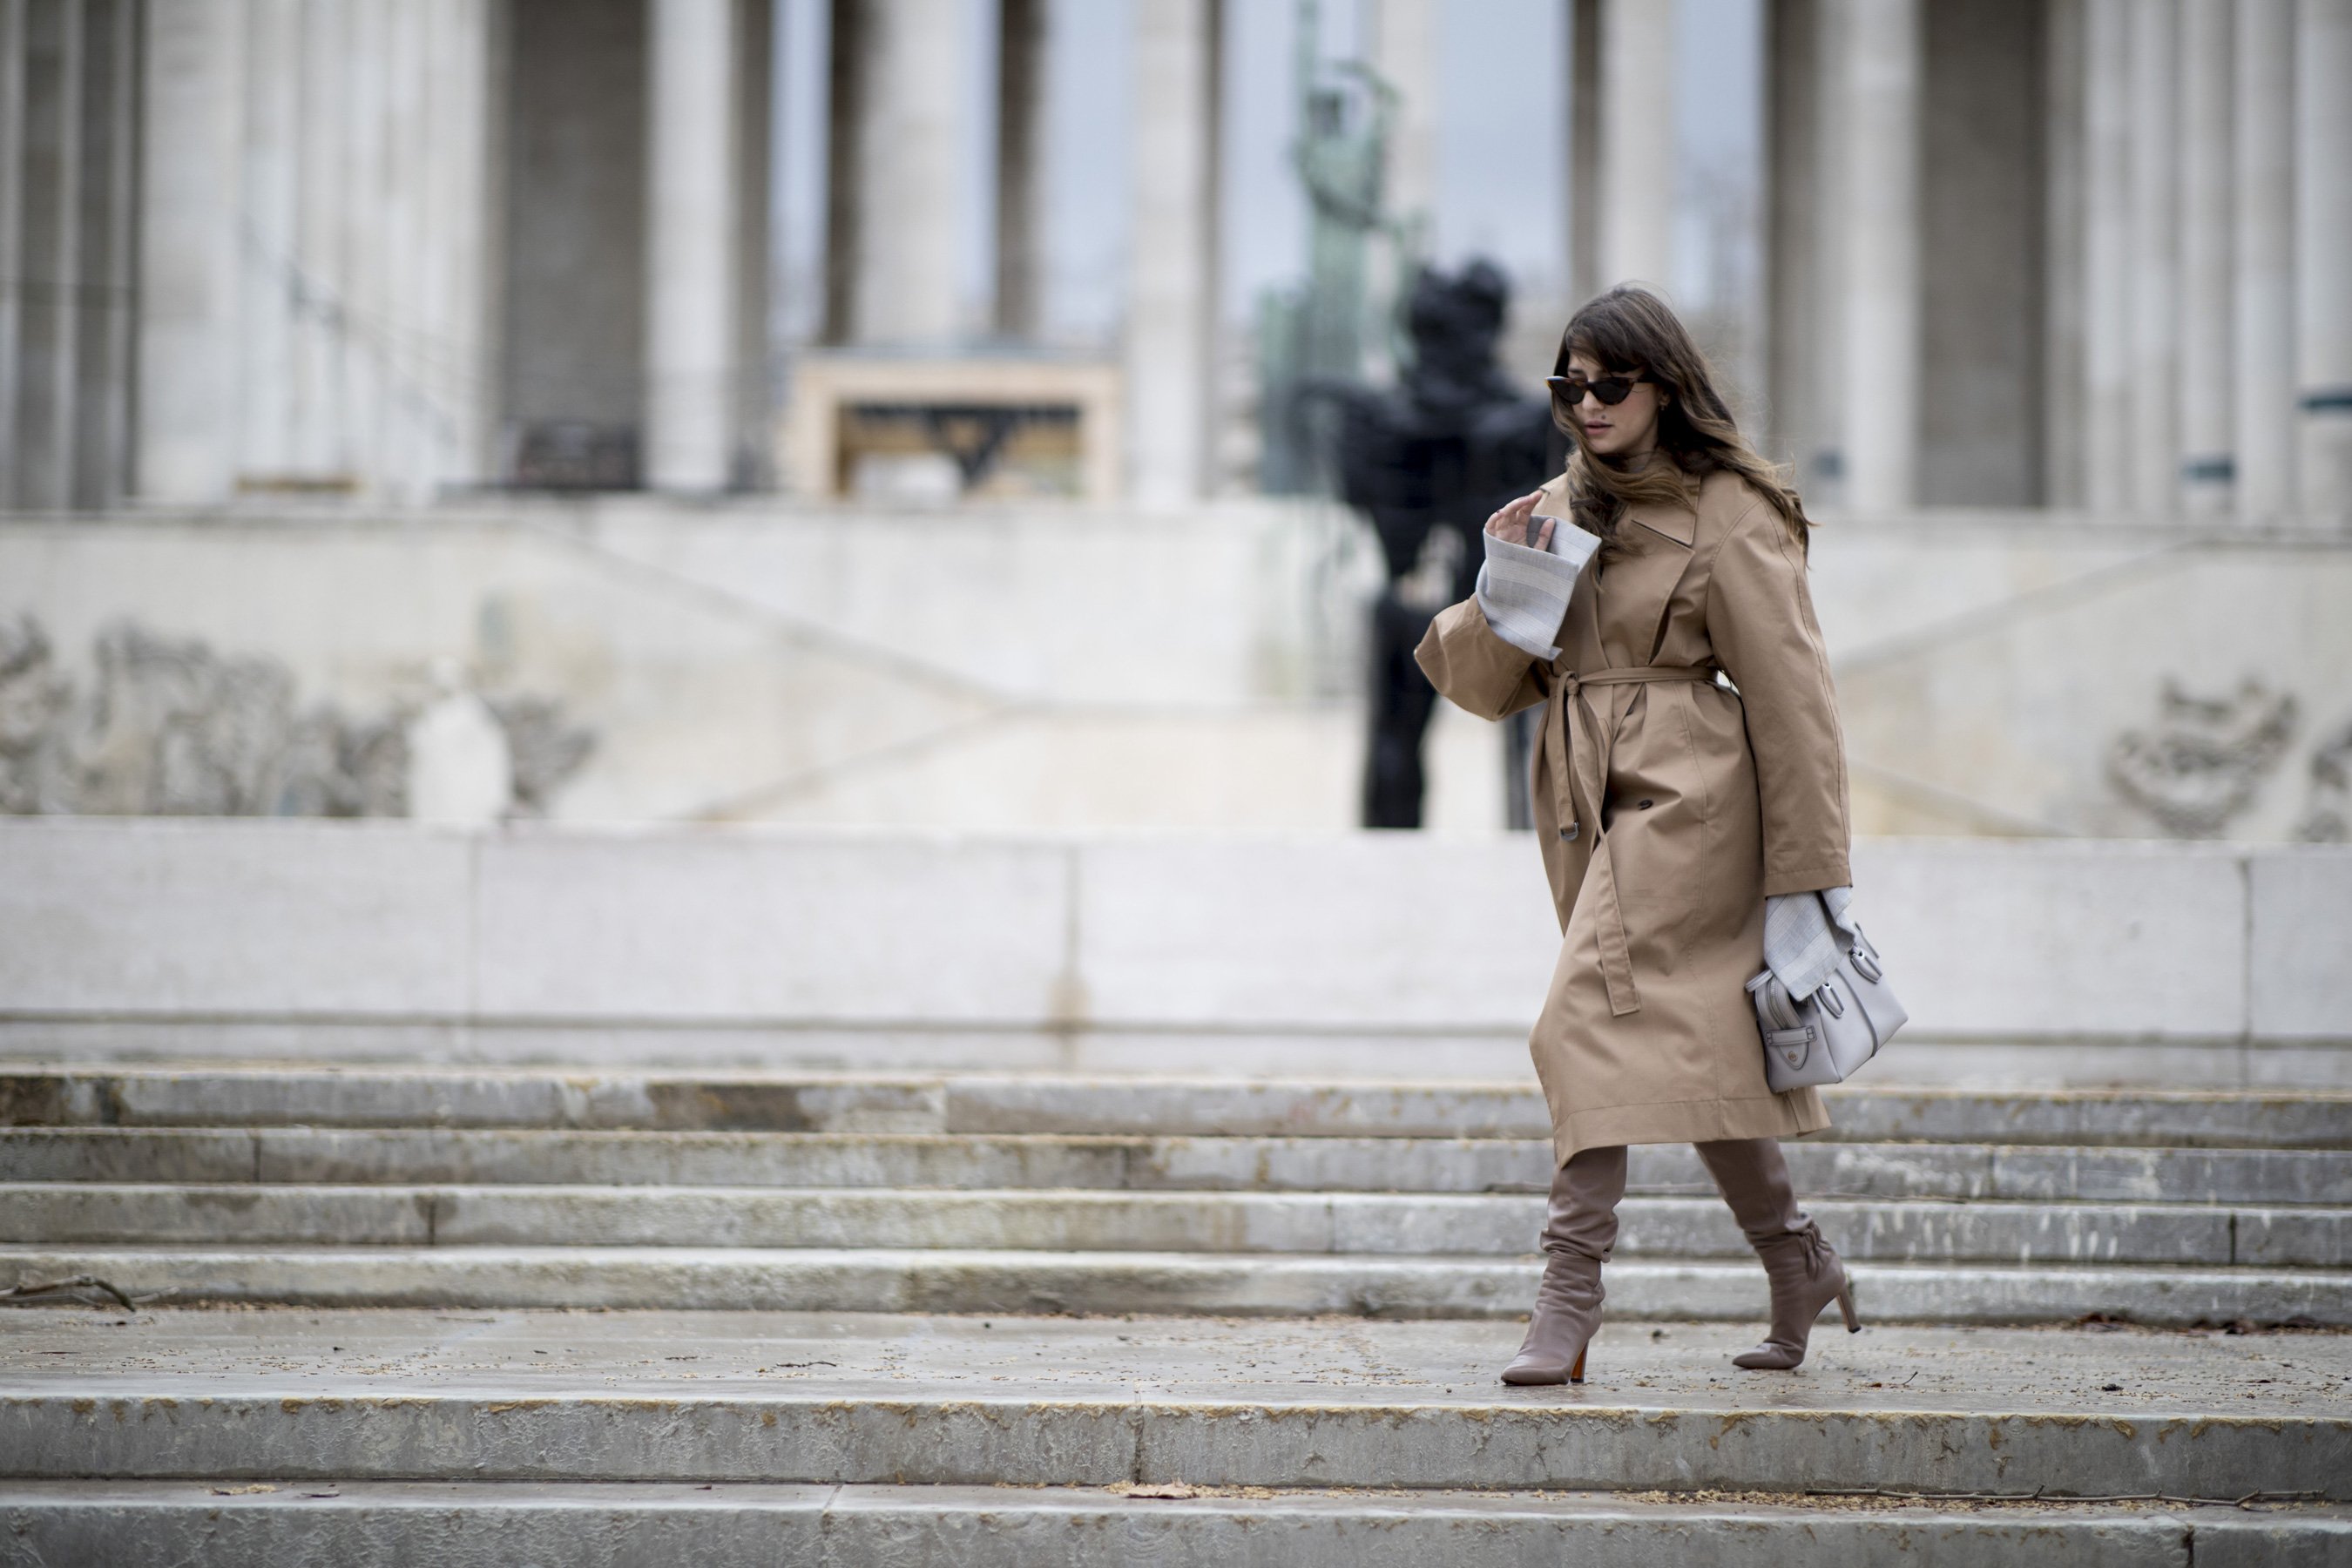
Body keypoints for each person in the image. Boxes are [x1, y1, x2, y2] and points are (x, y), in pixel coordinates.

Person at [1415, 285, 1862, 1384]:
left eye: (1610, 383)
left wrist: (1814, 879)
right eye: (1570, 385)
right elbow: (1481, 684)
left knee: (1580, 1022)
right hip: (1582, 794)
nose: (1588, 403)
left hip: (1693, 798)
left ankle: (1566, 1303)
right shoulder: (1558, 505)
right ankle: (1797, 1257)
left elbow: (1795, 700)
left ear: (1665, 386)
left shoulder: (1732, 511)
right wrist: (1509, 587)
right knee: (1690, 1050)